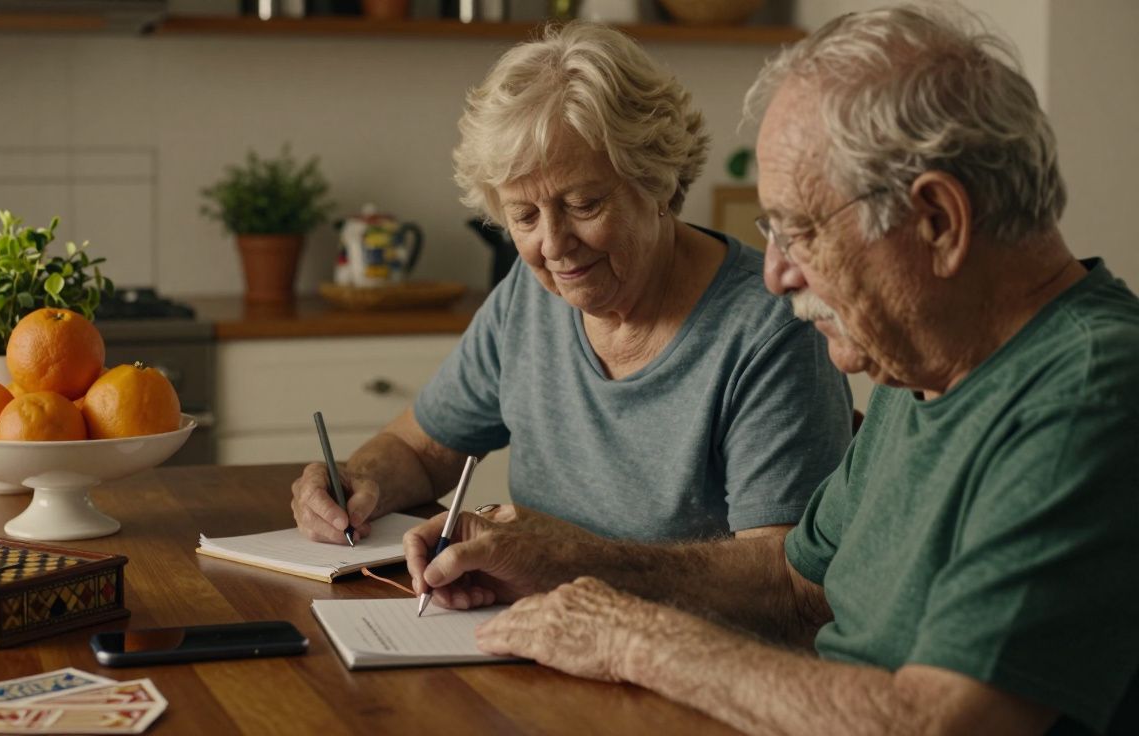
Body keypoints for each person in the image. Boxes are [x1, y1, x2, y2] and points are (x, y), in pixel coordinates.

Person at [404, 5, 1139, 733]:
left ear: (939, 221)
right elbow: (795, 582)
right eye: (772, 232)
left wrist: (634, 640)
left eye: (803, 231)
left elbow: (938, 724)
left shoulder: (1088, 393)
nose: (779, 273)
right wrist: (567, 565)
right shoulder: (925, 364)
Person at [290, 23, 852, 545]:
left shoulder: (772, 327)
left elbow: (784, 580)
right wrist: (357, 481)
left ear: (657, 184)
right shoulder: (529, 297)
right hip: (529, 635)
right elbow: (420, 449)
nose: (554, 245)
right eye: (524, 217)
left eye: (583, 204)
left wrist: (567, 563)